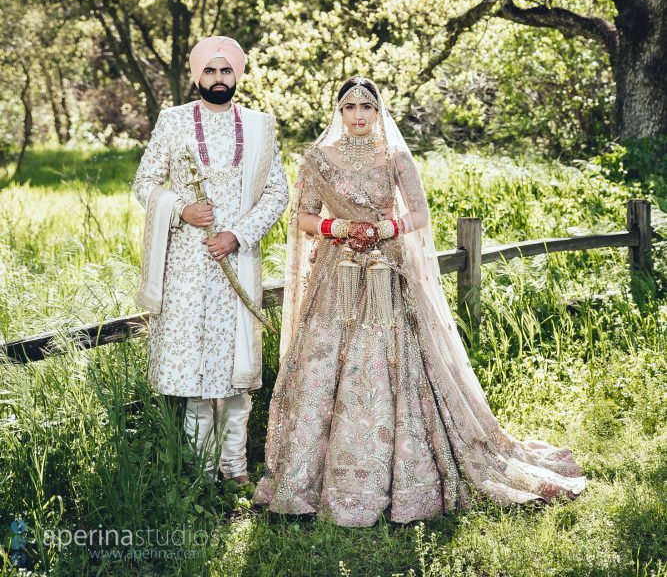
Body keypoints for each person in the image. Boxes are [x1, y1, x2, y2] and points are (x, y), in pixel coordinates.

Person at [254, 76, 586, 526]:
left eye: (366, 107)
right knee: (318, 367)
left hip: (389, 272)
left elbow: (419, 214)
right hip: (337, 275)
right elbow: (305, 218)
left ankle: (403, 476)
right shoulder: (317, 159)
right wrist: (341, 230)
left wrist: (384, 230)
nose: (357, 115)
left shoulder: (394, 155)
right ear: (338, 111)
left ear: (378, 112)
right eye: (349, 106)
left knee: (395, 360)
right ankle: (305, 482)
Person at [133, 36, 289, 483]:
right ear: (195, 76)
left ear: (237, 75)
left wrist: (236, 235)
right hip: (186, 265)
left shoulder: (260, 125)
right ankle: (201, 473)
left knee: (236, 372)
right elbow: (145, 182)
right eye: (209, 71)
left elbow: (278, 191)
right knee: (197, 375)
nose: (218, 80)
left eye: (226, 72)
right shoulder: (174, 121)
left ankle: (235, 467)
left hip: (237, 261)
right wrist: (180, 209)